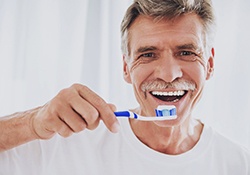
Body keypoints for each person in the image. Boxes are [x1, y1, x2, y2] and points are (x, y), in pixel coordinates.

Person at [0, 0, 250, 174]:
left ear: (209, 64)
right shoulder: (67, 142)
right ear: (126, 67)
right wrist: (32, 123)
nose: (168, 74)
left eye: (186, 52)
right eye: (148, 54)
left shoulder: (239, 164)